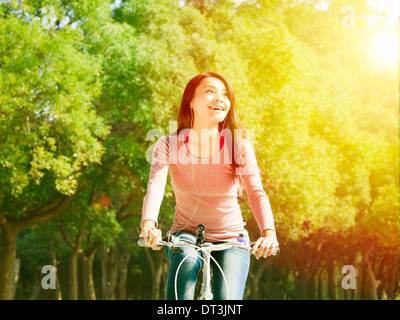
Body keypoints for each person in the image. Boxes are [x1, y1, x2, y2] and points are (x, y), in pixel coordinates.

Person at [139, 72, 278, 300]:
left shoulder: (239, 147)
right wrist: (148, 225)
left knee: (227, 301)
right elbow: (155, 186)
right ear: (191, 101)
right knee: (185, 261)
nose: (219, 99)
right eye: (210, 91)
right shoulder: (167, 145)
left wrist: (269, 233)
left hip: (232, 238)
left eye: (225, 94)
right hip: (185, 233)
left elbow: (256, 194)